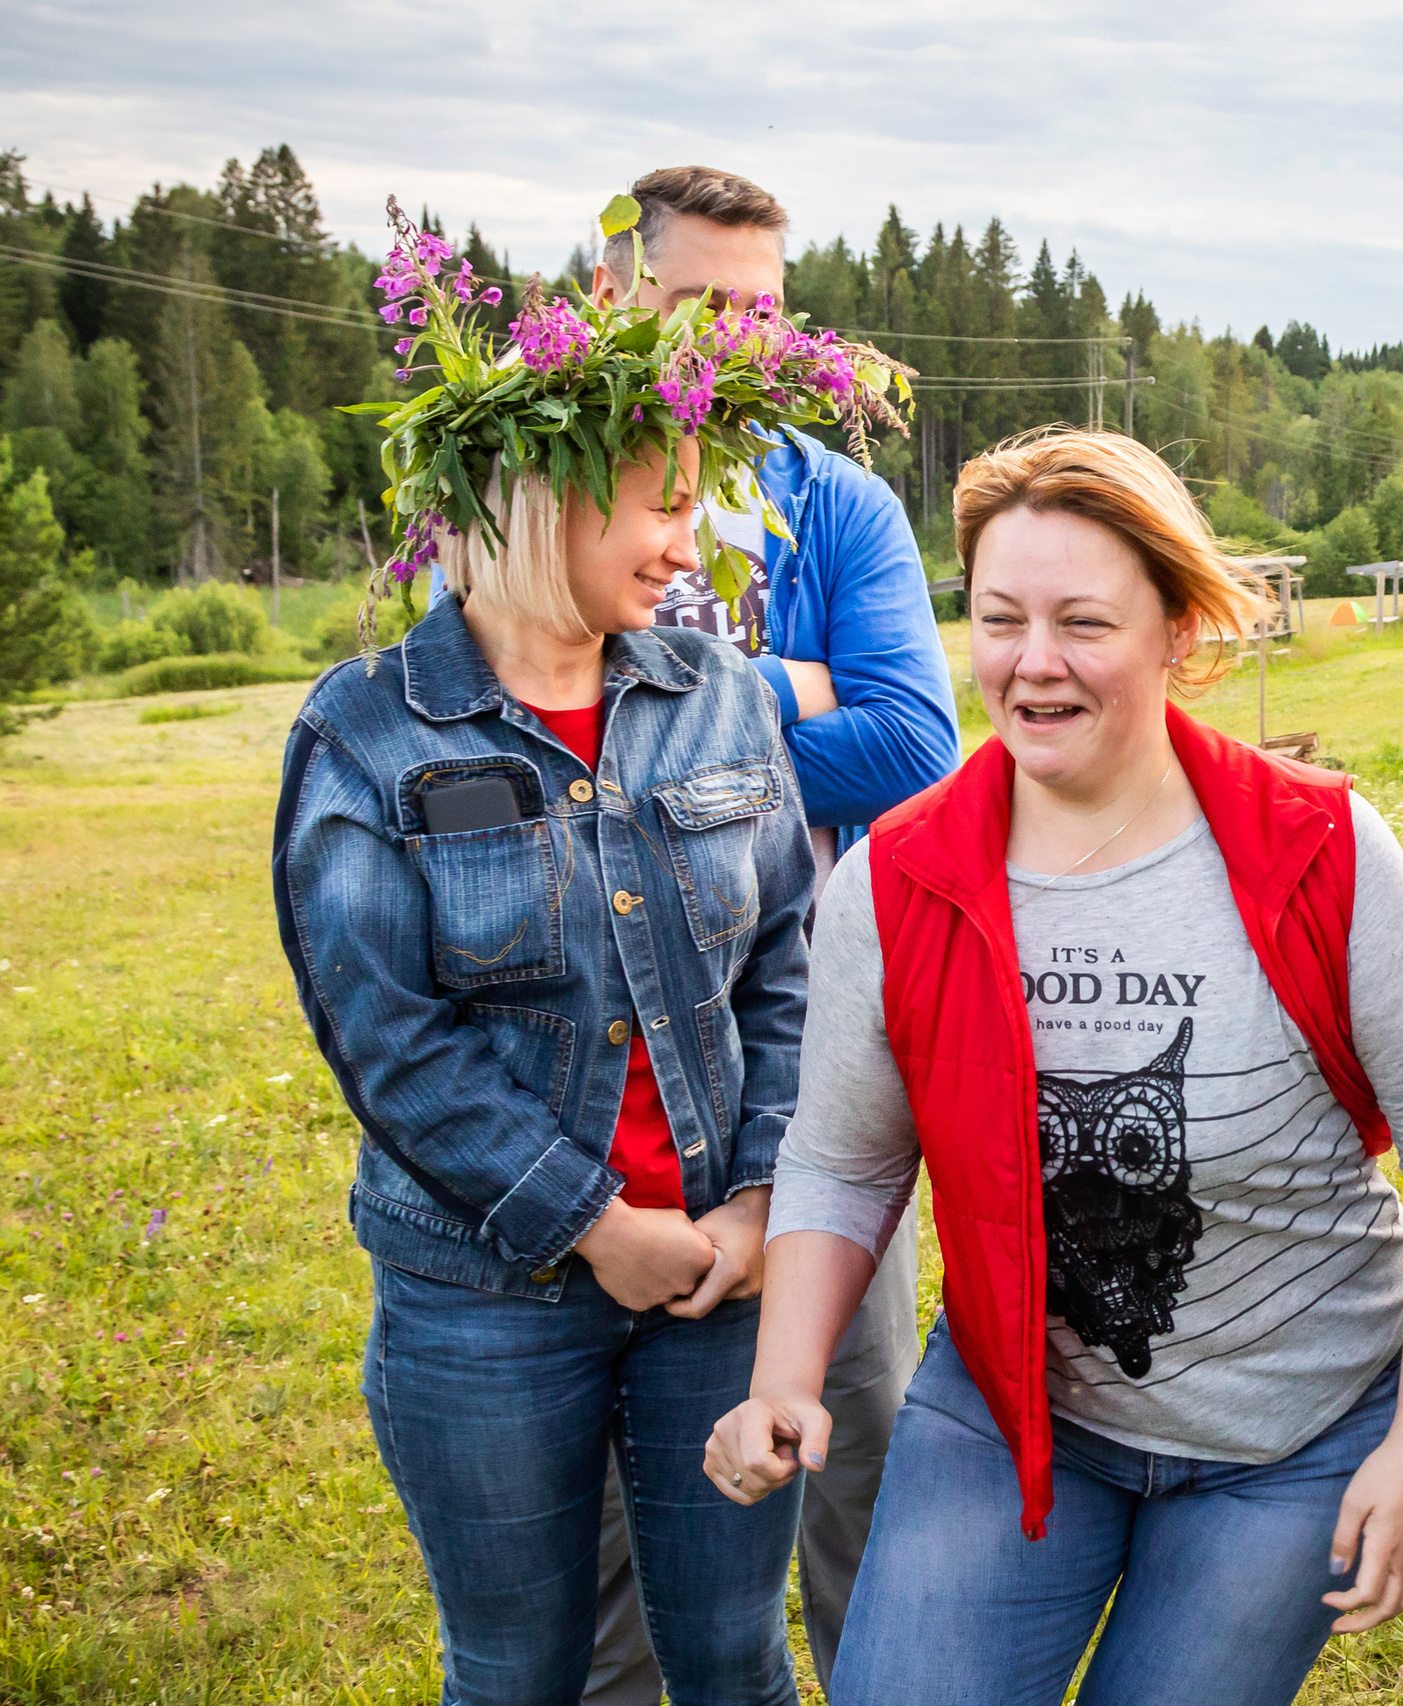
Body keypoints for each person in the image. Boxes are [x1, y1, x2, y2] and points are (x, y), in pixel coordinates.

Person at [704, 428, 1403, 1706]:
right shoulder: (894, 879)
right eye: (999, 617)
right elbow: (843, 1154)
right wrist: (784, 1379)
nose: (1033, 663)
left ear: (1176, 634)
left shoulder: (1320, 847)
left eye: (1083, 621)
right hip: (1019, 1402)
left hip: (1292, 1436)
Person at [272, 202, 904, 1704]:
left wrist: (755, 1195)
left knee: (732, 1658)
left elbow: (782, 972)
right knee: (519, 1664)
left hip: (714, 1280)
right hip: (482, 1302)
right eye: (658, 505)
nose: (692, 547)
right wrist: (592, 1222)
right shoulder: (365, 733)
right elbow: (387, 1041)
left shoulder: (722, 696)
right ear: (530, 500)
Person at [578, 164, 961, 1706]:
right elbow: (520, 743)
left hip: (817, 1028)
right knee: (606, 1498)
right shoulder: (549, 487)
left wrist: (673, 735)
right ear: (615, 296)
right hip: (591, 1053)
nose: (745, 341)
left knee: (857, 1429)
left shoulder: (833, 498)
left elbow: (918, 741)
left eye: (768, 308)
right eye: (704, 304)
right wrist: (792, 687)